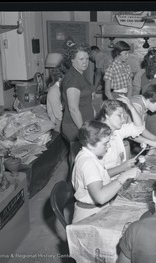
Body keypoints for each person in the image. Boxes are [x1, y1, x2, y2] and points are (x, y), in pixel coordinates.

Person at [71, 120, 140, 223]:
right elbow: (101, 197)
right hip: (90, 214)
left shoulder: (89, 155)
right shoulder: (88, 163)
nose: (109, 146)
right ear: (90, 145)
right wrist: (124, 176)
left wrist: (121, 168)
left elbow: (101, 176)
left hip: (96, 208)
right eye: (105, 143)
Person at [60, 42, 96, 176]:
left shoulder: (79, 74)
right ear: (72, 60)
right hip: (75, 126)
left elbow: (86, 101)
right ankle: (74, 188)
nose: (85, 62)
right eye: (81, 59)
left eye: (87, 58)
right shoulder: (73, 79)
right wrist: (83, 130)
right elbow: (73, 108)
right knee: (78, 160)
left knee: (79, 157)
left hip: (83, 123)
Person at [95, 96, 145, 177]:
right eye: (119, 115)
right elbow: (98, 176)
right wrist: (121, 168)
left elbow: (139, 127)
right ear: (107, 115)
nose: (123, 120)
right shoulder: (98, 140)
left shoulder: (117, 130)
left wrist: (131, 107)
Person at [129, 84, 156, 153]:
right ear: (151, 99)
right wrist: (154, 143)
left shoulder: (142, 102)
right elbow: (131, 134)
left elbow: (140, 129)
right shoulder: (137, 106)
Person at [46, 65, 67, 132]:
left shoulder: (61, 88)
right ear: (60, 78)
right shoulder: (54, 91)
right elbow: (58, 114)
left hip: (62, 117)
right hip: (57, 121)